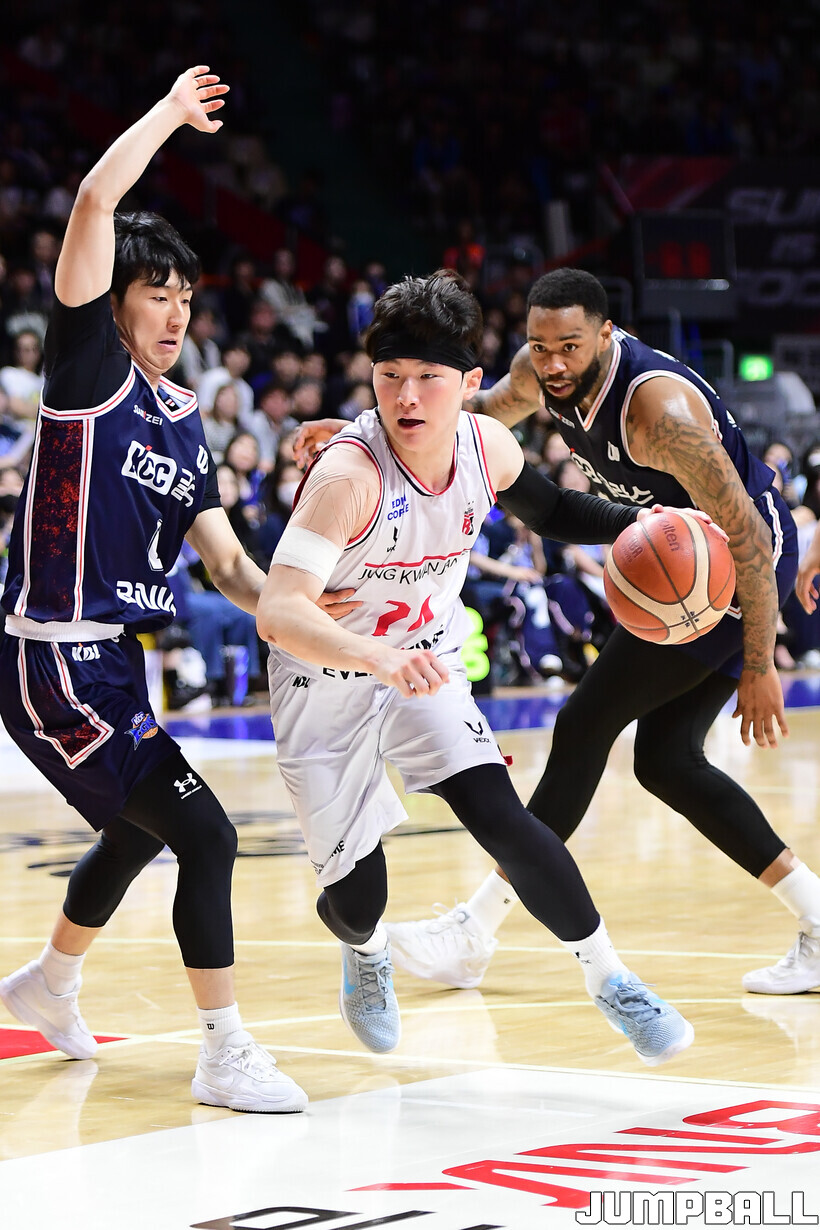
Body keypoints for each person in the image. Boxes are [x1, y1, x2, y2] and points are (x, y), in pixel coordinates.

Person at [297, 268, 820, 999]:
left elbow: (752, 535)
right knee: (665, 760)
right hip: (680, 554)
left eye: (570, 346)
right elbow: (467, 417)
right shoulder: (537, 371)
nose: (553, 363)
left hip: (731, 566)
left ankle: (475, 932)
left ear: (607, 334)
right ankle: (817, 919)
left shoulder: (658, 413)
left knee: (582, 727)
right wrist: (368, 438)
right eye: (540, 347)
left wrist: (760, 662)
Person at [0, 66, 353, 1115]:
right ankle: (223, 1051)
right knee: (208, 834)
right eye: (157, 293)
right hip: (52, 655)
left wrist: (317, 616)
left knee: (142, 827)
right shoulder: (86, 370)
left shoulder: (184, 418)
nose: (176, 311)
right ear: (113, 302)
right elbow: (95, 202)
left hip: (114, 660)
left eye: (187, 297)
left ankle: (49, 982)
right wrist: (166, 115)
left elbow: (232, 567)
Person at [257, 268, 701, 1067]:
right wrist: (376, 656)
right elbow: (279, 611)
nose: (407, 397)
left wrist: (648, 519)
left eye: (429, 377)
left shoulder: (486, 445)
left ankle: (612, 979)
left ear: (469, 383)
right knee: (358, 901)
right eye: (389, 376)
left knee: (503, 815)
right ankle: (366, 953)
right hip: (326, 678)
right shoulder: (348, 476)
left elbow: (555, 510)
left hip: (423, 665)